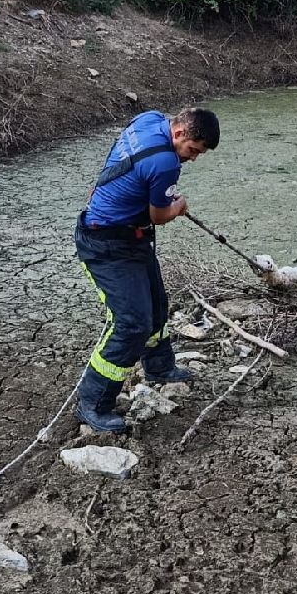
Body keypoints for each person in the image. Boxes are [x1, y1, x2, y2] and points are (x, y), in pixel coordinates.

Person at [74, 106, 220, 433]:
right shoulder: (166, 163)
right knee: (131, 323)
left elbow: (121, 156)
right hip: (105, 245)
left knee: (156, 304)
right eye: (193, 150)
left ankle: (159, 366)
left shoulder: (150, 119)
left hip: (129, 236)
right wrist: (178, 206)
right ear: (180, 132)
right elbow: (159, 216)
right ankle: (92, 401)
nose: (193, 158)